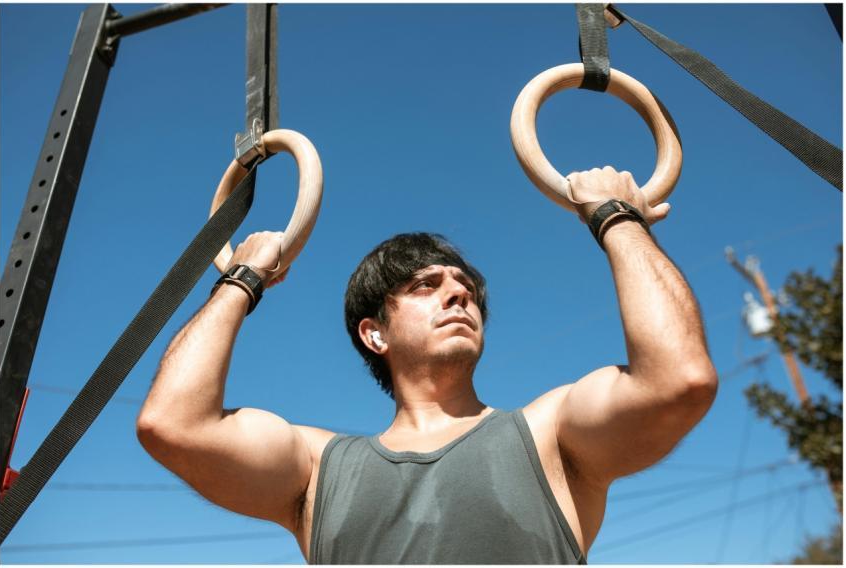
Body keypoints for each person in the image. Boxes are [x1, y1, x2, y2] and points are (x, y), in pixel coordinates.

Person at [137, 166, 718, 564]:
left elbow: (679, 379)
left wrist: (618, 218)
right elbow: (173, 425)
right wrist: (241, 279)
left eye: (465, 288)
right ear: (375, 333)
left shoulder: (550, 435)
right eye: (425, 285)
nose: (458, 295)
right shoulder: (316, 470)